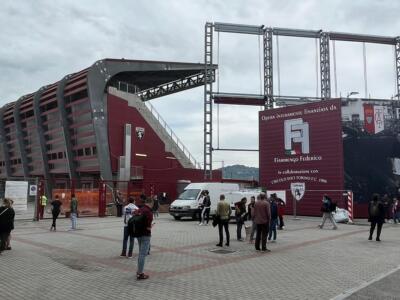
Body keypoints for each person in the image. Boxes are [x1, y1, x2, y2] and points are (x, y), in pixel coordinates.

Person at [134, 194, 153, 280]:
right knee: (143, 254)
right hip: (145, 234)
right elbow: (148, 226)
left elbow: (134, 216)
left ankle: (139, 271)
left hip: (138, 234)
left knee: (140, 253)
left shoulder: (140, 209)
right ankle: (140, 273)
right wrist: (151, 226)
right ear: (151, 203)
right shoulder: (148, 211)